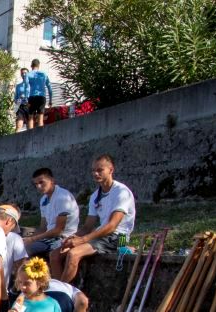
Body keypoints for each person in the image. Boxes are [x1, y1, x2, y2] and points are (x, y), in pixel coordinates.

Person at [54, 155, 136, 283]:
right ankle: (56, 288)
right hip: (102, 235)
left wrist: (83, 240)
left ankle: (61, 292)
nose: (95, 173)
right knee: (55, 254)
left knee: (73, 254)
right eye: (93, 170)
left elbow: (112, 226)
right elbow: (87, 226)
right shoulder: (94, 196)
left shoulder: (121, 192)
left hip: (119, 237)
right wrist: (72, 238)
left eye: (100, 170)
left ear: (111, 170)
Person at [26, 168, 80, 257]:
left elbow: (58, 230)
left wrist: (32, 239)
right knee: (18, 246)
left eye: (41, 182)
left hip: (63, 238)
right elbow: (43, 228)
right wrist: (28, 239)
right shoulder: (43, 199)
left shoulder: (62, 197)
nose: (38, 186)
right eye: (36, 184)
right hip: (49, 237)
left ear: (52, 180)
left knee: (24, 250)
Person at [27, 59, 53, 129]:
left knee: (30, 117)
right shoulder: (44, 74)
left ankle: (30, 133)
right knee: (40, 118)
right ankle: (40, 134)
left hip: (32, 97)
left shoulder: (28, 74)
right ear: (39, 65)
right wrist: (50, 101)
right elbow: (50, 88)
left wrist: (26, 99)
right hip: (42, 97)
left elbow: (26, 87)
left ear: (31, 65)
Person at [14, 67, 30, 132]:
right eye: (22, 73)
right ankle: (15, 138)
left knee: (30, 127)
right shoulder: (18, 86)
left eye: (25, 73)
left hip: (29, 106)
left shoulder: (32, 85)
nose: (24, 74)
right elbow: (15, 100)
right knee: (18, 126)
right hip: (21, 107)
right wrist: (20, 98)